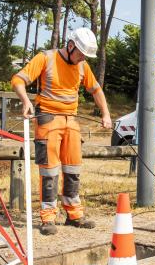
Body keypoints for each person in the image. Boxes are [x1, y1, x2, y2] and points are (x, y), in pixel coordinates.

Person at [11, 28, 112, 236]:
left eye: (86, 56)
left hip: (71, 120)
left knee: (73, 169)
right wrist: (26, 101)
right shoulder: (45, 58)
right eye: (81, 54)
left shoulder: (82, 65)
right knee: (49, 170)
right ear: (71, 45)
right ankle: (48, 217)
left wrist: (106, 114)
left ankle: (74, 214)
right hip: (47, 119)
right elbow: (18, 80)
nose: (83, 58)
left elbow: (96, 90)